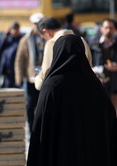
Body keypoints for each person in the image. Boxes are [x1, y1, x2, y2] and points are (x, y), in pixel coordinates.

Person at [27, 34, 117, 166]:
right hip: (90, 156)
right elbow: (109, 120)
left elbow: (41, 125)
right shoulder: (94, 85)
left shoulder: (51, 86)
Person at [34, 17, 92, 90]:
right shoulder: (82, 41)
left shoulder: (52, 43)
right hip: (82, 89)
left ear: (46, 32)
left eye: (43, 37)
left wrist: (38, 81)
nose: (44, 39)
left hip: (60, 90)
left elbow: (47, 72)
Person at [14, 13, 45, 132]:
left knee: (43, 106)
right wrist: (19, 79)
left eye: (40, 24)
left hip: (44, 78)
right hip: (31, 78)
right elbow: (19, 60)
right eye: (36, 24)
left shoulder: (48, 38)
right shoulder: (25, 39)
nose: (38, 26)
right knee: (30, 105)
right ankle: (32, 130)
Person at [90, 18, 117, 113]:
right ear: (101, 29)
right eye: (106, 27)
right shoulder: (94, 44)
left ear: (114, 29)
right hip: (98, 83)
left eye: (111, 28)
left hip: (114, 85)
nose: (108, 30)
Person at [0, 21, 23, 88]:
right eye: (13, 29)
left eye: (16, 29)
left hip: (16, 71)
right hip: (6, 72)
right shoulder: (8, 40)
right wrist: (5, 37)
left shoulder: (21, 40)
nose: (14, 31)